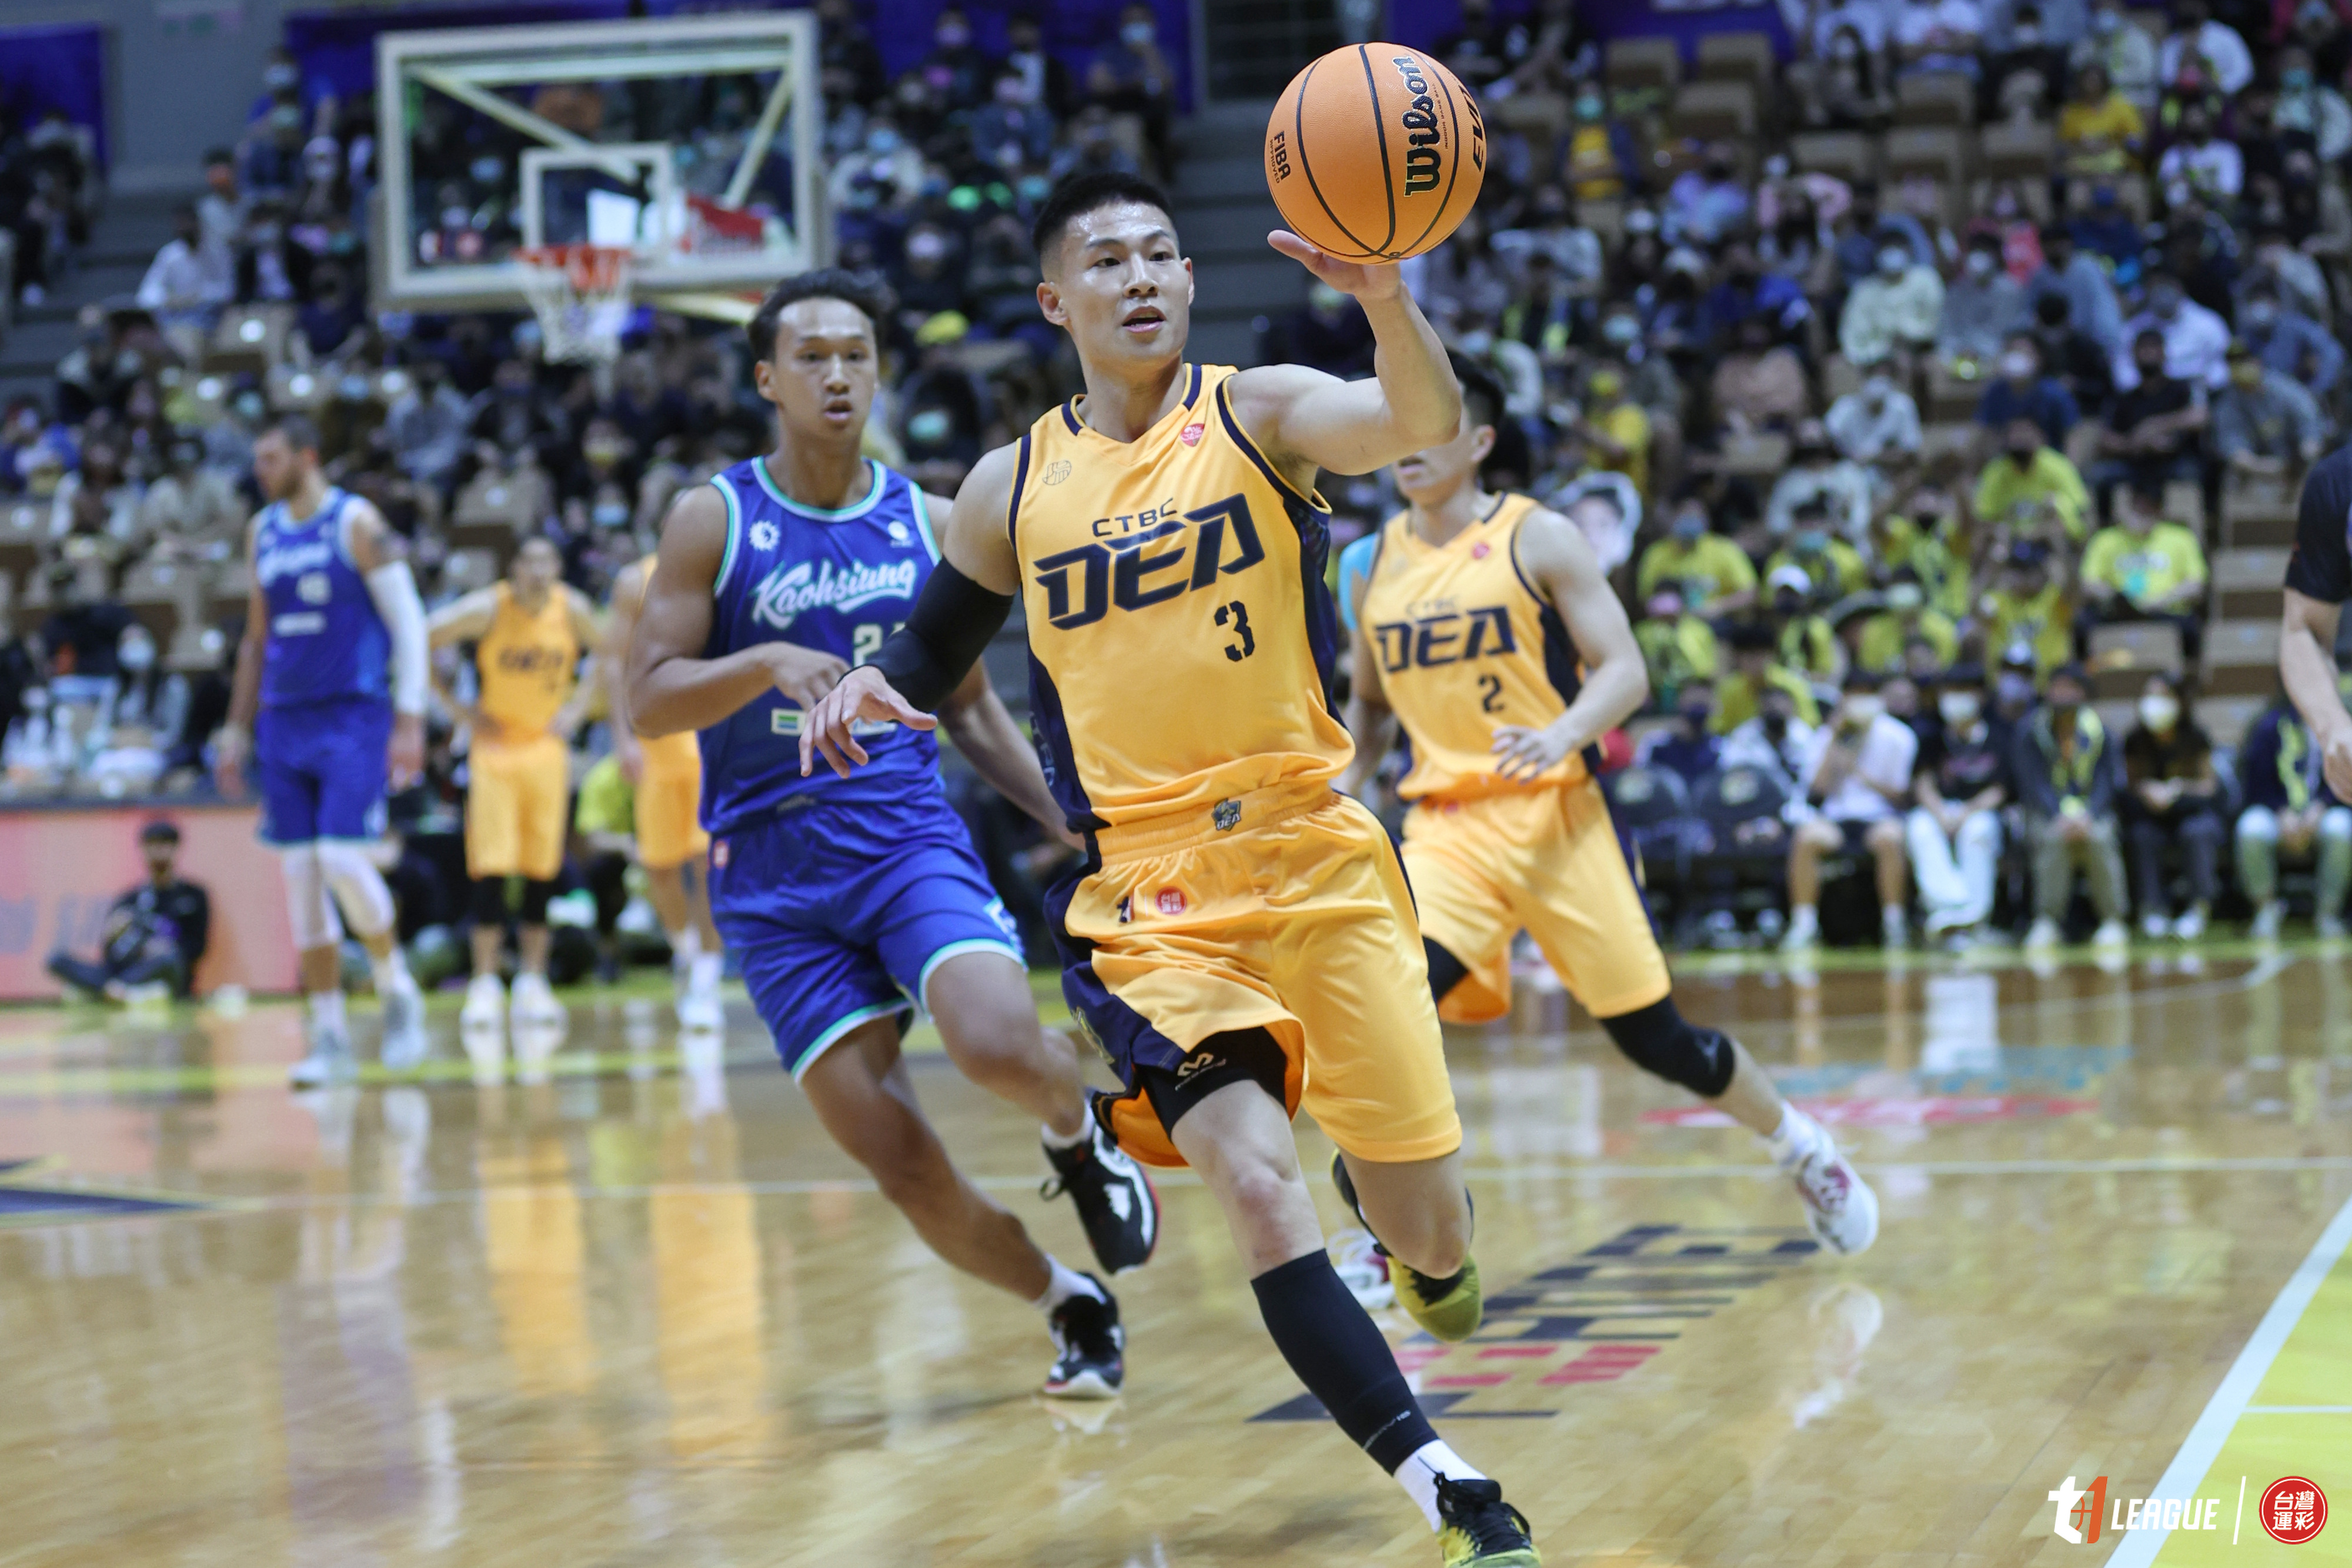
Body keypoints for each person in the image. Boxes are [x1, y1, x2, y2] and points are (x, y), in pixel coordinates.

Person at [796, 174, 1544, 1563]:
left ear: (1190, 284)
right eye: (1106, 260)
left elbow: (1417, 422)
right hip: (1148, 903)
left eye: (1159, 254)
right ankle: (1450, 1492)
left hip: (1315, 856)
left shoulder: (1260, 411)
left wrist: (1385, 302)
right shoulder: (1011, 486)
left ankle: (1408, 1238)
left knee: (1433, 1243)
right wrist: (869, 685)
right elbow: (930, 649)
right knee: (1253, 1185)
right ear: (1054, 301)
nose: (1138, 276)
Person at [626, 266, 1162, 1393]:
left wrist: (1074, 822)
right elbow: (649, 700)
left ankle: (1080, 1130)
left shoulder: (928, 520)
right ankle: (1068, 1300)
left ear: (879, 373)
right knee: (902, 1164)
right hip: (770, 878)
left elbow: (971, 708)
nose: (838, 375)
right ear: (767, 379)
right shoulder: (714, 518)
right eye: (812, 356)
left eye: (856, 355)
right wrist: (763, 662)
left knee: (995, 1041)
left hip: (901, 834)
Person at [1343, 354, 1876, 1252]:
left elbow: (1626, 670)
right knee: (1389, 1025)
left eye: (1435, 420)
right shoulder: (1370, 564)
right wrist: (1348, 780)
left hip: (1560, 818)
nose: (1411, 440)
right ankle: (1384, 1239)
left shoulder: (1539, 536)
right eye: (1399, 418)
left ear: (1480, 441)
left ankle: (1801, 1145)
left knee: (1655, 1039)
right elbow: (1368, 702)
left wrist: (1562, 732)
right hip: (1447, 832)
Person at [215, 415, 432, 1085]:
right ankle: (330, 1036)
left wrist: (410, 718)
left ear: (306, 457)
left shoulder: (355, 523)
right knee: (302, 880)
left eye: (271, 457)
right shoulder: (262, 531)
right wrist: (236, 726)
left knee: (341, 858)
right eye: (258, 459)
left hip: (352, 715)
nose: (261, 470)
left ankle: (396, 987)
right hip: (284, 720)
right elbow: (256, 639)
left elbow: (409, 622)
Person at [427, 537, 603, 1036]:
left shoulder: (573, 609)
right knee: (492, 867)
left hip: (546, 749)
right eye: (530, 562)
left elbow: (612, 651)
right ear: (515, 568)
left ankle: (532, 980)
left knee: (540, 868)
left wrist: (578, 709)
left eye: (548, 562)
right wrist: (458, 710)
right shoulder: (488, 608)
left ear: (558, 567)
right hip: (495, 750)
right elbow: (420, 636)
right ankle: (485, 982)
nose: (539, 571)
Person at [603, 552, 723, 1029]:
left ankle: (708, 976)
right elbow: (613, 662)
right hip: (654, 740)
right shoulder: (635, 580)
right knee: (658, 867)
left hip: (707, 737)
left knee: (707, 863)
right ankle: (685, 952)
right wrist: (621, 738)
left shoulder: (719, 568)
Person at [1783, 670, 1919, 950]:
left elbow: (1901, 797)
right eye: (1855, 694)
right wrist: (1835, 740)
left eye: (1867, 694)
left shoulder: (1898, 736)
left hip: (1879, 816)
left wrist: (1860, 773)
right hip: (1837, 818)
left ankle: (1894, 924)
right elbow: (1817, 791)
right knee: (1806, 838)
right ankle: (1804, 925)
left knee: (1890, 840)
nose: (1861, 701)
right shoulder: (1828, 735)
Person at [2011, 663, 2129, 949]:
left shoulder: (2101, 732)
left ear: (2083, 693)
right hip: (2046, 813)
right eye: (2057, 687)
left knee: (2100, 837)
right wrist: (2059, 816)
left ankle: (2113, 920)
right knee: (2053, 838)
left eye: (2069, 688)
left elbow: (2108, 782)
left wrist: (2089, 815)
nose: (2062, 694)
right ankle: (2047, 921)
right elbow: (2032, 783)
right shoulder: (2031, 731)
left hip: (2092, 813)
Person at [46, 820, 211, 1002]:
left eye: (165, 844)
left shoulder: (193, 895)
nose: (158, 851)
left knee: (168, 960)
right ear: (142, 849)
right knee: (56, 960)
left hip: (165, 972)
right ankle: (122, 993)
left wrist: (163, 947)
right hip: (127, 972)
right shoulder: (128, 899)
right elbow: (111, 957)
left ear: (176, 848)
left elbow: (198, 948)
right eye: (152, 844)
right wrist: (112, 936)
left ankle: (106, 992)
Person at [2236, 687, 2352, 938]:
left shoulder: (2336, 728)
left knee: (2342, 828)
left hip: (2321, 812)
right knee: (2251, 828)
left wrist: (2322, 806)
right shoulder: (2268, 725)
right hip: (2278, 813)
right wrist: (2280, 811)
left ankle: (2328, 912)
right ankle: (2265, 908)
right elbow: (2255, 781)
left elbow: (2346, 776)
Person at [1906, 666, 2009, 942]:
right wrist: (1940, 813)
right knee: (1919, 826)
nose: (1955, 698)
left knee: (1978, 830)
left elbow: (2000, 789)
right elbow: (1923, 782)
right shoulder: (1932, 737)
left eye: (1964, 691)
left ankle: (1974, 915)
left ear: (1980, 696)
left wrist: (1967, 812)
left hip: (1979, 810)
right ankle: (1949, 907)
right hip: (1941, 809)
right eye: (1950, 691)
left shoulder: (1999, 737)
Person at [2120, 670, 2223, 939]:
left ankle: (2199, 907)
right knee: (2142, 836)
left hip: (2191, 811)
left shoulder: (2195, 735)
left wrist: (2179, 788)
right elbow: (2129, 785)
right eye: (2149, 696)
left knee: (2197, 832)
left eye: (2162, 696)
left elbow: (2210, 786)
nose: (2154, 703)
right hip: (2150, 814)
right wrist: (2146, 789)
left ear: (2177, 701)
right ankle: (2151, 909)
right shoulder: (2135, 739)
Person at [2078, 479, 2209, 658]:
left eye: (2148, 507)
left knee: (2191, 627)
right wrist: (2115, 598)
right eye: (2137, 506)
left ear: (2159, 510)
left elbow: (2196, 585)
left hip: (2164, 611)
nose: (2141, 512)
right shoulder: (2104, 539)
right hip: (2118, 612)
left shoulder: (2181, 537)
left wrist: (2161, 600)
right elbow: (2088, 584)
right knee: (2083, 623)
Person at [1636, 501, 1756, 616]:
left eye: (1694, 518)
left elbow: (1750, 592)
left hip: (1716, 620)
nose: (1689, 523)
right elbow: (1645, 595)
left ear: (1705, 521)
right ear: (1674, 519)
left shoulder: (1724, 550)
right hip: (1669, 619)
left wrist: (1718, 607)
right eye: (1685, 517)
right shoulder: (1656, 553)